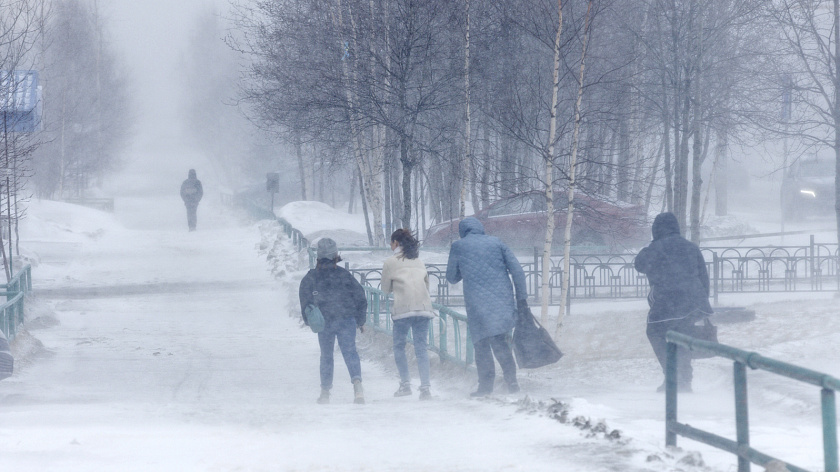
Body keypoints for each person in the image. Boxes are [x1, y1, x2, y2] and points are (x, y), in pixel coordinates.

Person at [445, 217, 527, 397]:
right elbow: (518, 271)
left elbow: (451, 277)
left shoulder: (459, 246)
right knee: (500, 343)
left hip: (477, 305)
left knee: (481, 345)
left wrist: (464, 269)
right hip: (502, 302)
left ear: (463, 231)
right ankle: (512, 382)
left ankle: (485, 387)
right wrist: (521, 300)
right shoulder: (496, 242)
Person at [634, 212, 713, 393]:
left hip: (666, 303)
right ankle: (684, 380)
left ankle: (672, 377)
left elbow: (639, 264)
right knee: (682, 338)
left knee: (655, 333)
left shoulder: (655, 249)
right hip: (693, 303)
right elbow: (703, 277)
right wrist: (702, 302)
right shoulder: (691, 247)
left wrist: (653, 245)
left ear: (656, 230)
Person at [299, 238, 368, 404]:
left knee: (326, 356)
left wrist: (308, 320)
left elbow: (305, 300)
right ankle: (358, 388)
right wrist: (360, 319)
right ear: (336, 255)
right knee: (350, 352)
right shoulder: (344, 275)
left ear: (318, 256)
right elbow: (360, 297)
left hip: (325, 322)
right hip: (346, 319)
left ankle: (325, 392)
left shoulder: (311, 277)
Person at [381, 229, 434, 401]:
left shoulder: (390, 262)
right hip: (424, 308)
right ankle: (425, 388)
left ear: (396, 243)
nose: (390, 246)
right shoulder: (419, 261)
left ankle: (405, 384)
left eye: (391, 243)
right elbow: (427, 284)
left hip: (403, 310)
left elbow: (385, 290)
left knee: (399, 347)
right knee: (421, 349)